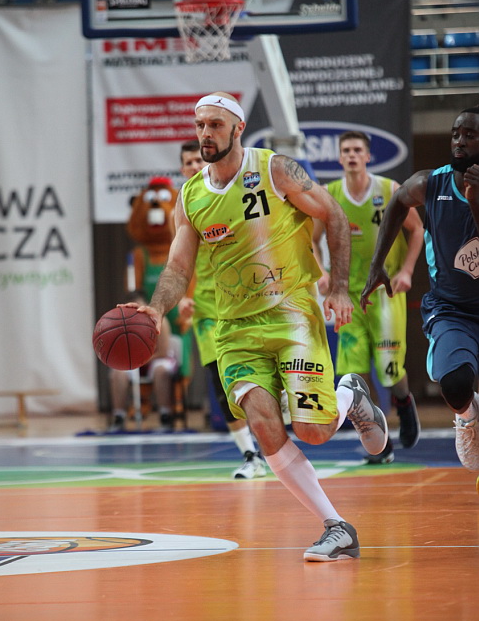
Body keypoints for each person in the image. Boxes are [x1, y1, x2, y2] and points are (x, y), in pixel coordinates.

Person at [122, 91, 390, 562]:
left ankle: (349, 395)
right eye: (200, 125)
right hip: (235, 330)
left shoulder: (275, 169)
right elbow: (179, 267)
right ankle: (337, 527)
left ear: (238, 128)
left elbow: (334, 215)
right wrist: (158, 308)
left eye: (215, 125)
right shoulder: (191, 196)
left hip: (292, 316)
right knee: (264, 425)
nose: (206, 133)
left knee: (313, 431)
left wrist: (339, 288)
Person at [361, 107, 479, 475]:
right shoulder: (430, 183)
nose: (459, 141)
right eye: (456, 133)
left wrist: (476, 202)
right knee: (455, 386)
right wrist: (377, 263)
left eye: (470, 135)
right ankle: (469, 418)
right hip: (452, 309)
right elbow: (398, 202)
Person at [313, 131, 424, 464]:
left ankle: (404, 403)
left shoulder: (389, 190)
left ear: (367, 156)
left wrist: (407, 270)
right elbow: (311, 239)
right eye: (346, 150)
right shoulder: (330, 195)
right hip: (347, 295)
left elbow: (417, 229)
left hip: (384, 292)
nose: (351, 155)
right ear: (340, 157)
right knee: (355, 374)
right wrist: (321, 272)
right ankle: (380, 440)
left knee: (389, 369)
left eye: (357, 150)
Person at [180, 139, 266, 479]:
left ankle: (270, 443)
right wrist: (184, 297)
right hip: (206, 310)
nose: (192, 166)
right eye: (186, 162)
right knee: (221, 384)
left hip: (242, 301)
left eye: (195, 160)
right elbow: (182, 261)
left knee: (255, 378)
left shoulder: (229, 195)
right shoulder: (184, 205)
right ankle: (250, 454)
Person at [107, 291, 180, 432]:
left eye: (139, 306)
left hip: (157, 359)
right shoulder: (123, 324)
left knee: (161, 371)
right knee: (117, 372)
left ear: (146, 305)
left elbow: (163, 352)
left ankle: (165, 416)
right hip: (136, 361)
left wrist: (140, 361)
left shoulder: (160, 320)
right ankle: (118, 417)